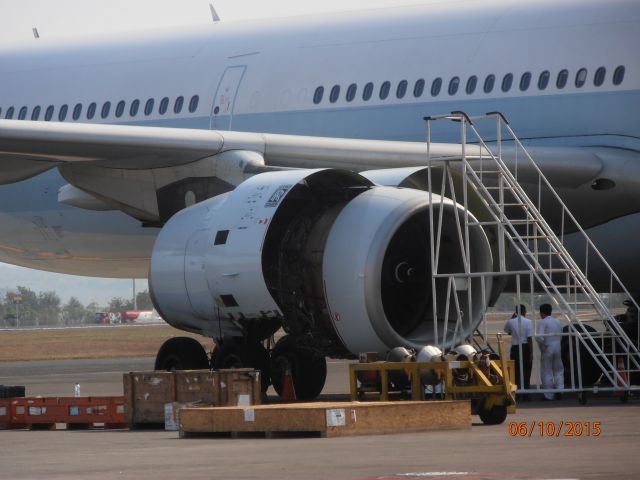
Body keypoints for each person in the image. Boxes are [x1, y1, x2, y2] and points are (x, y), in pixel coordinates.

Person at [504, 304, 533, 400]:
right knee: (526, 371)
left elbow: (507, 331)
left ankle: (517, 393)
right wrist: (531, 352)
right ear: (525, 312)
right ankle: (526, 394)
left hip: (515, 348)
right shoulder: (528, 322)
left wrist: (512, 318)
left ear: (516, 312)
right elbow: (529, 338)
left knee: (515, 371)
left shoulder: (511, 322)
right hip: (525, 347)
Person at [536, 303, 564, 400]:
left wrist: (543, 347)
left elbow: (539, 337)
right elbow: (561, 334)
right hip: (557, 347)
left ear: (542, 312)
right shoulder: (557, 321)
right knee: (558, 370)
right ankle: (560, 389)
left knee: (546, 371)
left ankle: (549, 395)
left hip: (548, 348)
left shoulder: (542, 322)